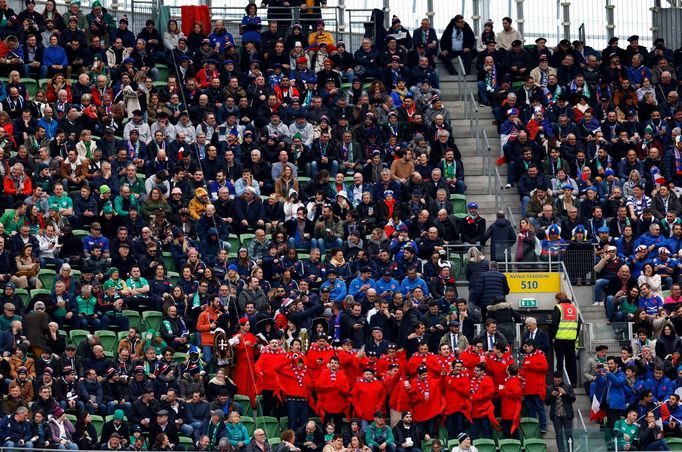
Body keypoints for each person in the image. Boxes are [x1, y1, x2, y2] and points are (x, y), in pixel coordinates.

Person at [550, 293, 580, 385]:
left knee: (560, 363)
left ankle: (560, 382)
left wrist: (553, 336)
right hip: (571, 339)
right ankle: (573, 382)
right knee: (571, 362)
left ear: (558, 299)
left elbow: (555, 323)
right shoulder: (575, 308)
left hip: (560, 339)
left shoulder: (558, 307)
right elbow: (578, 325)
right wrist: (575, 336)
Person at [545, 371, 575, 452]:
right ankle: (561, 450)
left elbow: (573, 399)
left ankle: (570, 450)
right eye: (555, 381)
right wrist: (551, 395)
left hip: (567, 414)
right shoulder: (550, 388)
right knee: (558, 435)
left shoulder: (568, 387)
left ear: (561, 379)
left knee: (568, 434)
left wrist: (564, 393)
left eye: (558, 381)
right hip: (556, 415)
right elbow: (546, 402)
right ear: (553, 379)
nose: (557, 383)